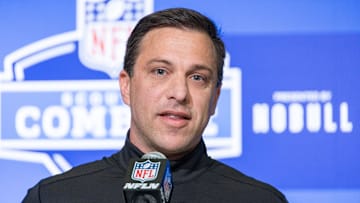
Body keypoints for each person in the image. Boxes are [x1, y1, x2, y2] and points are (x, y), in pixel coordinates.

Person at [23, 8, 288, 203]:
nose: (179, 93)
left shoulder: (259, 200)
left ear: (215, 98)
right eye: (160, 71)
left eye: (197, 77)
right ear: (126, 86)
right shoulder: (53, 197)